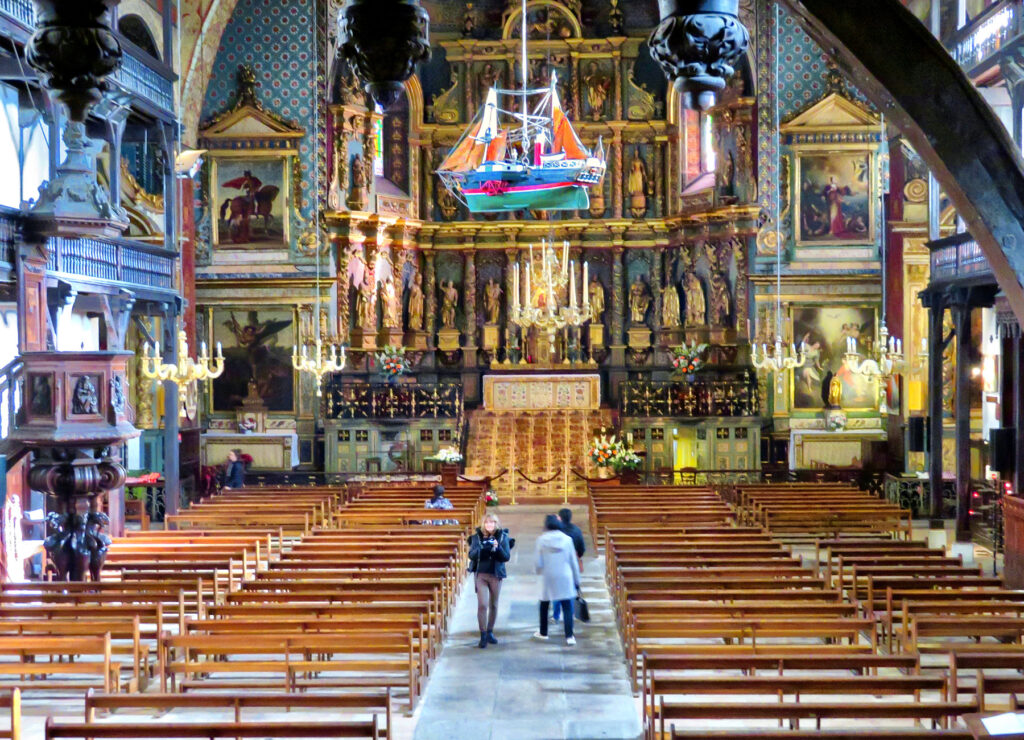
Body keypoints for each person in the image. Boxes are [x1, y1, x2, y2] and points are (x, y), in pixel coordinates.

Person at [534, 514, 581, 645]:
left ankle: (543, 632)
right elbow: (573, 562)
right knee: (567, 606)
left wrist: (539, 572)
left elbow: (537, 563)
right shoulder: (567, 540)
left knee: (544, 605)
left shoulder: (541, 540)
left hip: (547, 576)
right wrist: (577, 580)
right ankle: (569, 636)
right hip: (564, 576)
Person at [468, 513, 511, 649]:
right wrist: (482, 549)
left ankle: (490, 631)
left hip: (495, 574)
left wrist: (497, 547)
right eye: (487, 523)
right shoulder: (477, 537)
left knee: (494, 605)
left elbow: (506, 557)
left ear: (496, 524)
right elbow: (471, 555)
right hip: (481, 574)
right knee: (482, 604)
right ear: (483, 524)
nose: (489, 525)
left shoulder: (503, 537)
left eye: (492, 522)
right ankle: (483, 634)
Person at [552, 508, 585, 624]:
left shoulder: (556, 531)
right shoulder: (576, 530)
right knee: (571, 589)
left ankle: (555, 615)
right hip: (572, 564)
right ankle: (569, 614)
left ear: (560, 518)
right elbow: (582, 548)